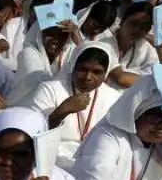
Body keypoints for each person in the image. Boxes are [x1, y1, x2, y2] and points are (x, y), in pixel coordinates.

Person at [29, 41, 121, 170]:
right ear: (73, 67)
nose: (88, 77)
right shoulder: (50, 89)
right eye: (82, 69)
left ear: (105, 74)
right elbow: (32, 133)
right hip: (53, 161)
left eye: (96, 72)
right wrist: (62, 111)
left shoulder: (114, 98)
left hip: (94, 162)